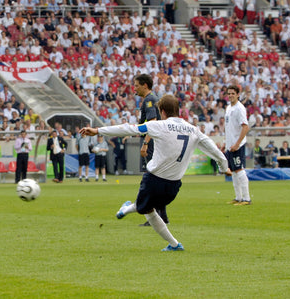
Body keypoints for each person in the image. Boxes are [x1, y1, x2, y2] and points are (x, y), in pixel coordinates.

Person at [79, 95, 230, 251]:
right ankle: (129, 213)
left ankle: (173, 243)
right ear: (178, 110)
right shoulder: (194, 130)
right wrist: (224, 167)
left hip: (154, 180)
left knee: (146, 209)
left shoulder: (158, 125)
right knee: (147, 206)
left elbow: (128, 128)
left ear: (162, 111)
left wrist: (97, 130)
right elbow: (214, 149)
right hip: (174, 186)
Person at [136, 73, 168, 225]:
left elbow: (153, 122)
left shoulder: (149, 100)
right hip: (155, 141)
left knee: (153, 179)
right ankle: (163, 216)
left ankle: (156, 217)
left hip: (153, 143)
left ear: (145, 86)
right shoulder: (153, 99)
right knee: (157, 178)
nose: (134, 88)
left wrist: (146, 143)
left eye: (136, 85)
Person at [225, 85, 251, 205]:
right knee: (234, 171)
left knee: (240, 170)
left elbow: (245, 127)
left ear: (238, 95)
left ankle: (247, 198)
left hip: (237, 145)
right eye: (229, 93)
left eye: (233, 93)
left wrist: (237, 143)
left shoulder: (240, 108)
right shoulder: (229, 108)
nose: (230, 95)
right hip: (230, 145)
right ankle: (238, 197)